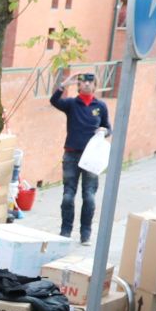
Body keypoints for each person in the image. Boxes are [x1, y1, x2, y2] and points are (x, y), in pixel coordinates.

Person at [48, 72, 111, 244]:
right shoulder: (71, 104)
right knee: (68, 195)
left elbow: (108, 127)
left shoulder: (100, 106)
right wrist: (64, 84)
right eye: (84, 82)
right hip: (72, 154)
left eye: (91, 82)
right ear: (79, 86)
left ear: (95, 85)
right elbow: (54, 101)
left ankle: (85, 234)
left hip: (92, 156)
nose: (87, 85)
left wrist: (104, 131)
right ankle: (65, 231)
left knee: (89, 196)